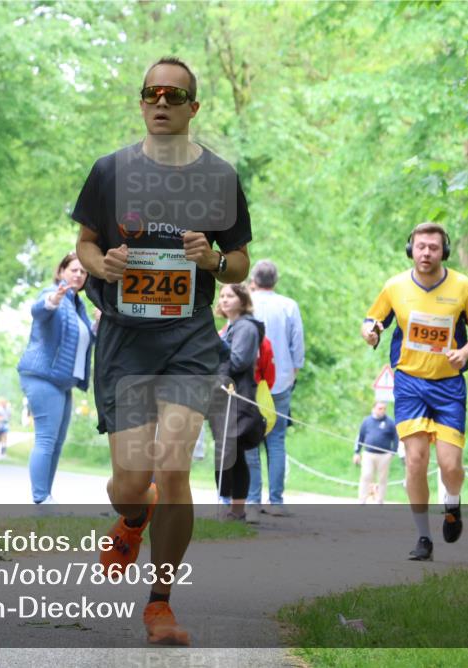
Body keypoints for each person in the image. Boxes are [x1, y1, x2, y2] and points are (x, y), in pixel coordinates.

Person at [73, 56, 252, 646]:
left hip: (189, 340)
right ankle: (132, 515)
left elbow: (239, 262)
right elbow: (87, 246)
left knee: (174, 466)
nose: (162, 102)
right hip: (125, 340)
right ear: (141, 101)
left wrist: (214, 263)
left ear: (192, 108)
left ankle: (160, 606)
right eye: (152, 93)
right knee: (132, 480)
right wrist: (106, 264)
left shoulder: (220, 178)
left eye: (175, 96)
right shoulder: (110, 171)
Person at [361, 222, 468, 561]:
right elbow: (372, 321)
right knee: (415, 461)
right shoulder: (395, 287)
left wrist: (465, 353)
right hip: (410, 384)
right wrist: (370, 333)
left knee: (450, 466)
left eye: (433, 247)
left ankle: (452, 504)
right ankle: (423, 537)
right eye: (420, 247)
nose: (426, 253)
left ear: (443, 251)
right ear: (411, 249)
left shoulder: (462, 286)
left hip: (448, 386)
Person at [17, 252, 93, 504]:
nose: (79, 274)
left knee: (56, 443)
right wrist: (53, 299)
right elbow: (39, 310)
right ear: (61, 272)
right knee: (46, 440)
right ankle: (40, 498)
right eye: (74, 269)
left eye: (83, 271)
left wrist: (96, 326)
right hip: (43, 377)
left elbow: (79, 341)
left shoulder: (77, 306)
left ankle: (45, 498)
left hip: (63, 381)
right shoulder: (54, 293)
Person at [244, 260, 304, 516]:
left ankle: (253, 499)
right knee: (277, 441)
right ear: (275, 281)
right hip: (280, 381)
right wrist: (293, 372)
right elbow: (297, 343)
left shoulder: (246, 302)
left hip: (250, 381)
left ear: (254, 280)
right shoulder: (289, 305)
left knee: (250, 442)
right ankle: (277, 501)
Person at [208, 283, 263, 522]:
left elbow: (238, 361)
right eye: (221, 296)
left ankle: (236, 508)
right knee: (229, 452)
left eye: (230, 295)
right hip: (224, 397)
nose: (224, 300)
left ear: (242, 299)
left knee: (234, 452)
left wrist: (215, 348)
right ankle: (231, 506)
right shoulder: (231, 327)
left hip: (238, 398)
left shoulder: (246, 328)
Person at [353, 401, 398, 504]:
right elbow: (360, 437)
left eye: (384, 409)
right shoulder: (366, 421)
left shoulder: (390, 422)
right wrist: (357, 452)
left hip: (384, 455)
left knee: (382, 478)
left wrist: (393, 452)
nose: (382, 411)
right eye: (380, 408)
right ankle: (362, 500)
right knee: (366, 475)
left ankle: (379, 500)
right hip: (368, 454)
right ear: (374, 408)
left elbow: (395, 438)